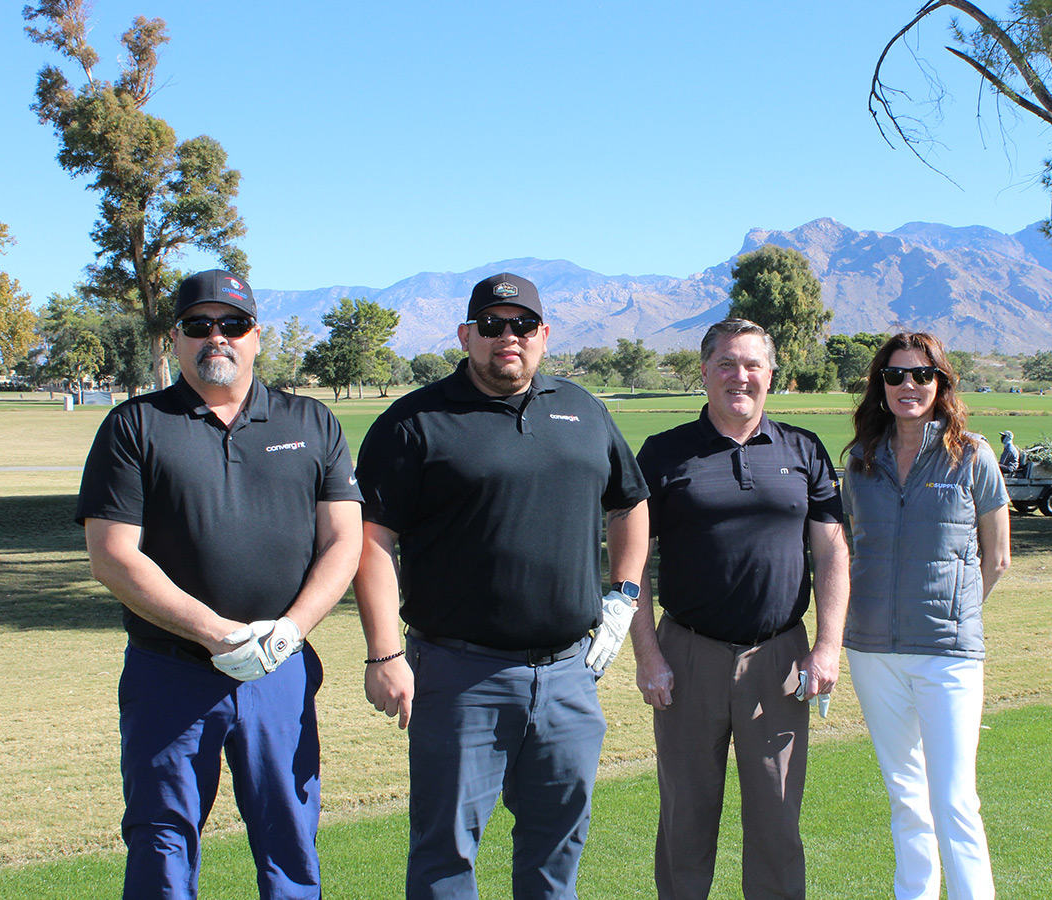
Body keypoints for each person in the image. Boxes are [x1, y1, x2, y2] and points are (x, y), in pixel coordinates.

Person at [352, 272, 650, 900]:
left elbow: (630, 502)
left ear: (543, 334)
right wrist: (384, 652)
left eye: (521, 325)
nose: (506, 337)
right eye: (491, 325)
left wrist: (622, 596)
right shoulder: (415, 422)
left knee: (556, 853)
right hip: (461, 675)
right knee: (445, 856)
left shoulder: (583, 410)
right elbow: (370, 540)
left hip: (571, 674)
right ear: (467, 335)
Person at [76, 268, 364, 899]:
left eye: (232, 325)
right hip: (170, 672)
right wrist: (218, 634)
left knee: (289, 838)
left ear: (256, 335)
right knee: (162, 842)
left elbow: (345, 541)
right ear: (175, 338)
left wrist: (288, 631)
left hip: (278, 670)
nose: (218, 338)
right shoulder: (135, 427)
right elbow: (113, 555)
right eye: (199, 326)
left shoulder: (311, 422)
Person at [629, 318, 850, 900]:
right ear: (704, 372)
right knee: (685, 823)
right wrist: (647, 653)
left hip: (779, 659)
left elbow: (831, 552)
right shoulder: (663, 453)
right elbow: (631, 566)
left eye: (752, 364)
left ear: (771, 375)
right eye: (726, 363)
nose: (740, 376)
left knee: (778, 826)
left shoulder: (803, 450)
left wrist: (827, 647)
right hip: (687, 655)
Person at [841, 332, 1011, 900]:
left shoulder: (974, 455)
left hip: (948, 653)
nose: (908, 386)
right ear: (880, 386)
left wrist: (952, 610)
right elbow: (845, 547)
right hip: (871, 650)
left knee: (955, 799)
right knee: (905, 795)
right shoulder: (861, 459)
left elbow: (998, 557)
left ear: (941, 382)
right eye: (895, 376)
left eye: (921, 375)